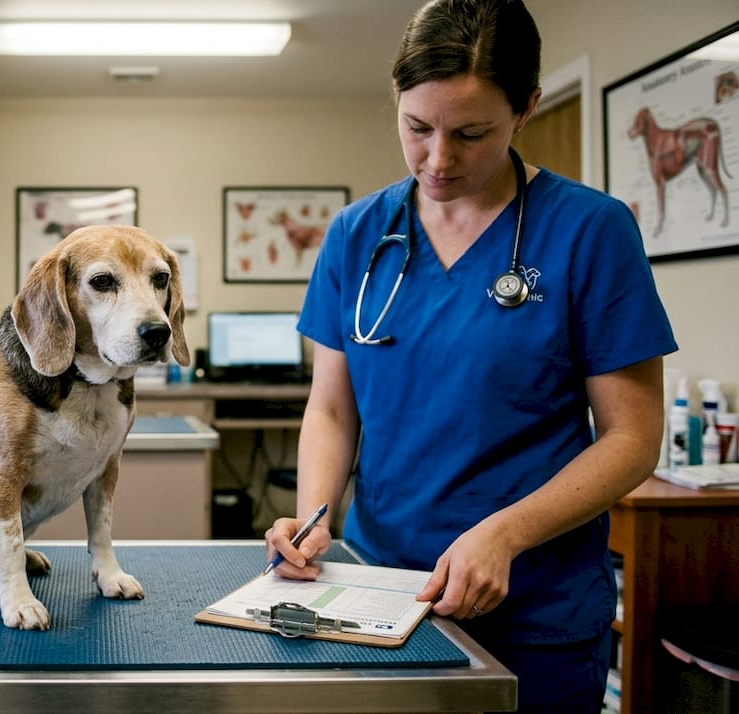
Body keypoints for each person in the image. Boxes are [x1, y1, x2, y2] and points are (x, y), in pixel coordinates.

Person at [263, 1, 676, 711]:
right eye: (417, 128)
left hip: (534, 609)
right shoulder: (357, 234)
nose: (439, 159)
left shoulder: (589, 231)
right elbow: (333, 407)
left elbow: (633, 438)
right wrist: (312, 522)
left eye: (471, 133)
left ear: (527, 109)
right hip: (376, 594)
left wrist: (506, 534)